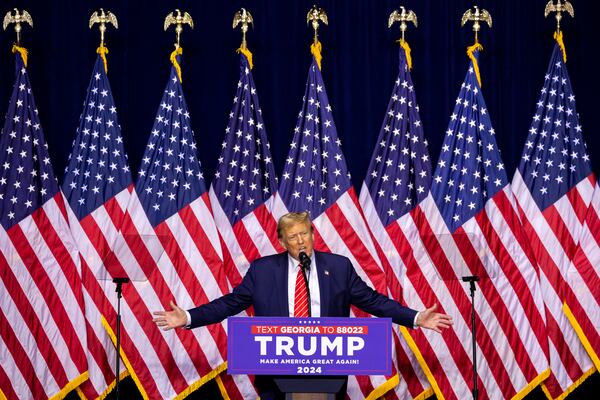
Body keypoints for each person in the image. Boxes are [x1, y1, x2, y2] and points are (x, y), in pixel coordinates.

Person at [153, 211, 453, 399]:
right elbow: (230, 304)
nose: (301, 241)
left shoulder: (338, 267)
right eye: (293, 237)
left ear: (312, 234)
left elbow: (373, 301)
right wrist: (189, 317)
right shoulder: (262, 270)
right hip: (275, 371)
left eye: (305, 234)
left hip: (327, 371)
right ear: (282, 243)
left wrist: (414, 317)